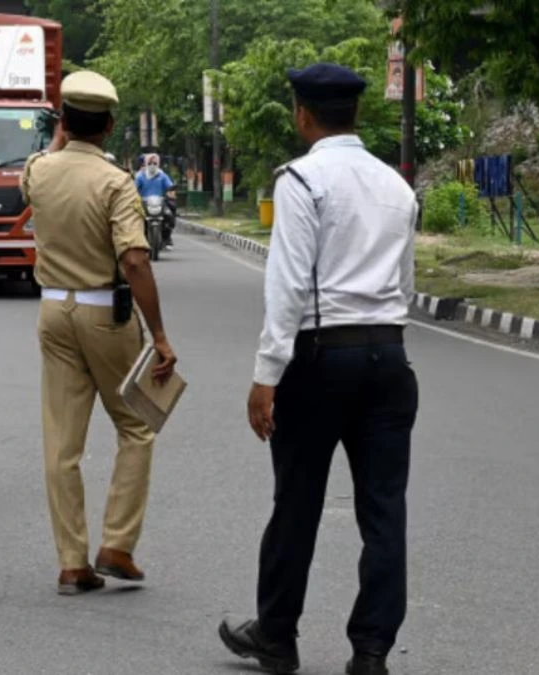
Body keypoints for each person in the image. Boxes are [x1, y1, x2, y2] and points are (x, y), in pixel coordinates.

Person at [217, 63, 419, 675]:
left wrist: (266, 374)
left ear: (304, 115)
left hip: (320, 358)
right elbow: (405, 284)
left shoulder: (302, 182)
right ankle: (372, 650)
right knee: (384, 509)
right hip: (389, 357)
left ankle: (277, 635)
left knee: (297, 501)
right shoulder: (397, 187)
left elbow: (286, 288)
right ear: (355, 114)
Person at [21, 70, 178, 595]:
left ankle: (72, 563)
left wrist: (59, 140)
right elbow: (134, 261)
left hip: (52, 312)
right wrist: (159, 334)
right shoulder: (116, 183)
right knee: (136, 427)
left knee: (62, 445)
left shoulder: (38, 171)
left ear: (63, 122)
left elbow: (40, 166)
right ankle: (116, 545)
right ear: (111, 126)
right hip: (104, 316)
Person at [134, 153, 177, 249]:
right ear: (145, 163)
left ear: (158, 163)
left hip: (160, 203)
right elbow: (134, 187)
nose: (152, 165)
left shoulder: (162, 175)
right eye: (150, 162)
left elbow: (170, 186)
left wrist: (171, 191)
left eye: (154, 162)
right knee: (135, 218)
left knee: (169, 216)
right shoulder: (140, 176)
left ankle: (167, 238)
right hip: (143, 204)